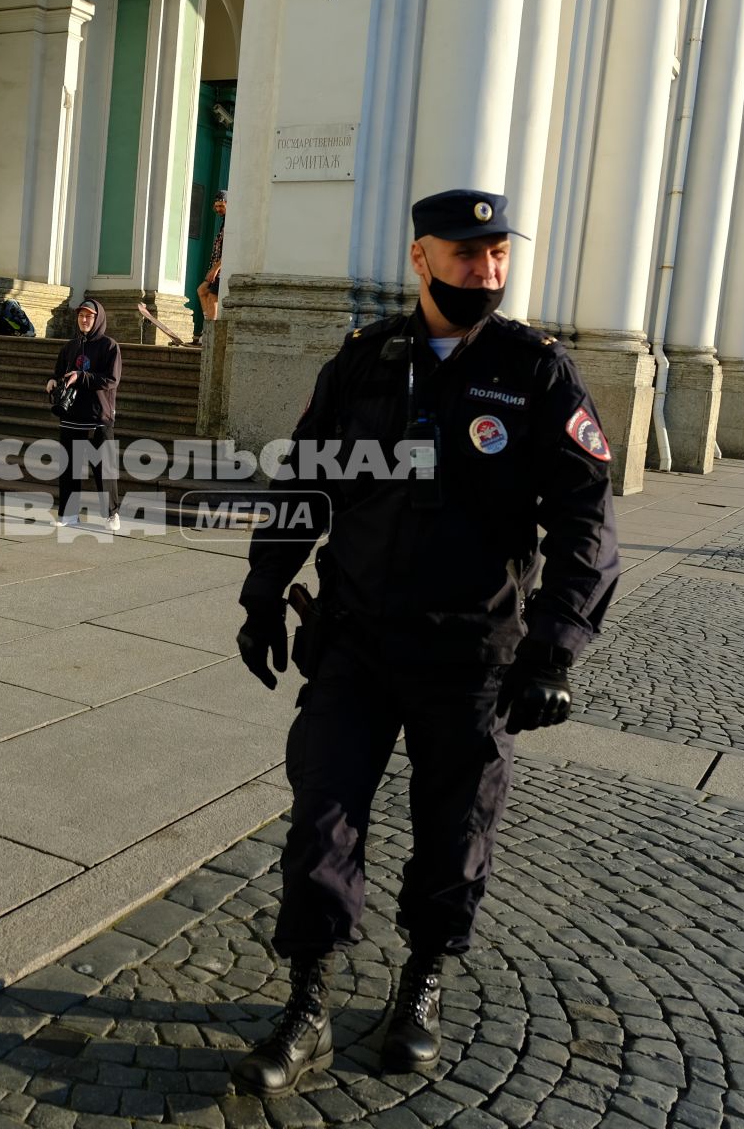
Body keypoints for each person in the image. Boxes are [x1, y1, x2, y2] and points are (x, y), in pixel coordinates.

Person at [231, 189, 617, 1094]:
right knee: (320, 819)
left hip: (474, 655)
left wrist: (553, 650)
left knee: (455, 831)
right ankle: (308, 1003)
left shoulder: (536, 373)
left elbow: (586, 520)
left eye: (497, 255)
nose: (485, 271)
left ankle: (423, 983)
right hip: (356, 642)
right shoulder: (364, 364)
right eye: (465, 254)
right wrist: (260, 596)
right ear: (422, 259)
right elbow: (305, 489)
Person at [44, 298, 122, 531]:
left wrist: (82, 377)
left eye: (89, 316)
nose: (84, 319)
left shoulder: (110, 346)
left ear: (98, 319)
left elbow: (111, 380)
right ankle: (69, 513)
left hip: (99, 416)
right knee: (69, 466)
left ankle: (111, 514)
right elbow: (60, 372)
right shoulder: (71, 346)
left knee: (104, 469)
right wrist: (52, 381)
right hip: (71, 415)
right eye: (81, 315)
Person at [194, 190, 227, 340]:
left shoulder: (230, 223)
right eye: (216, 206)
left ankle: (208, 335)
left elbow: (228, 251)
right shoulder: (224, 222)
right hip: (216, 269)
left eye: (221, 205)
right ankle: (207, 330)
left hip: (221, 270)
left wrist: (215, 269)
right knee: (202, 291)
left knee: (213, 298)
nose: (218, 209)